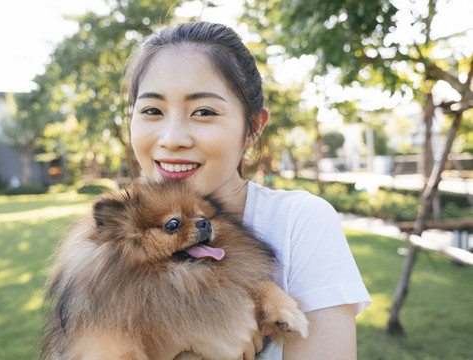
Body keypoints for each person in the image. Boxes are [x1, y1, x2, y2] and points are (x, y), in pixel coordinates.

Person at [125, 21, 371, 359]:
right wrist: (174, 340)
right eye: (152, 110)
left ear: (253, 127)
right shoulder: (112, 237)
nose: (172, 139)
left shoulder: (299, 223)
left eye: (204, 112)